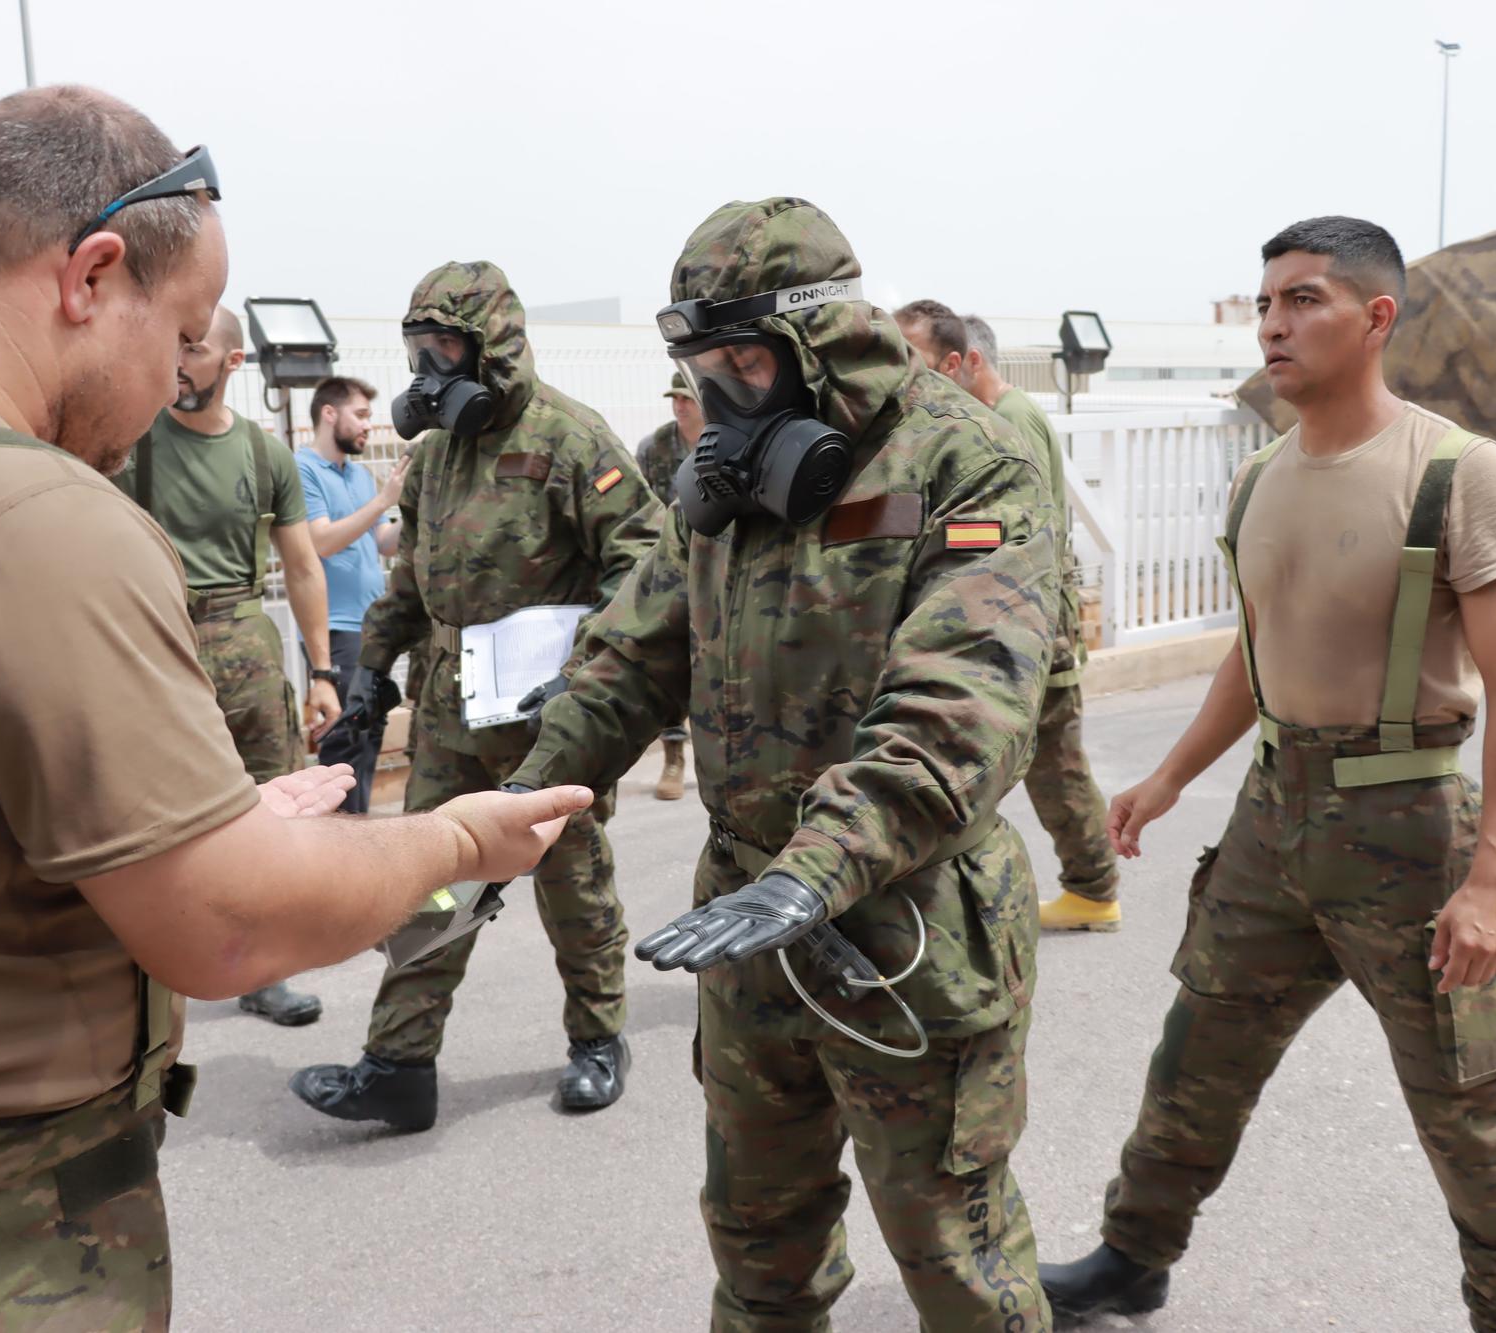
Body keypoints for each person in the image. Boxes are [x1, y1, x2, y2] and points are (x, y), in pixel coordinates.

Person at [0, 86, 593, 1331]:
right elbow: (226, 931)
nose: (177, 379)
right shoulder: (20, 512)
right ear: (91, 275)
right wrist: (455, 839)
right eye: (182, 332)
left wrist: (203, 813)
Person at [509, 198, 1064, 1329]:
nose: (720, 394)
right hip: (746, 931)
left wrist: (816, 868)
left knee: (956, 1260)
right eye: (701, 365)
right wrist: (520, 797)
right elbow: (632, 653)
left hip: (909, 929)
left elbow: (957, 704)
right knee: (759, 1249)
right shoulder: (725, 486)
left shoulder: (967, 461)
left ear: (826, 347)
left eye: (745, 361)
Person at [1040, 216, 1496, 1332]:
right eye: (1266, 302)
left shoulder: (1459, 474)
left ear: (1374, 319)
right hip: (1273, 821)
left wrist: (1489, 882)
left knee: (1470, 1106)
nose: (1273, 324)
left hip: (1410, 828)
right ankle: (1132, 1259)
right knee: (1196, 1057)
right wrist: (1172, 775)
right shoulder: (1255, 481)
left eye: (1303, 300)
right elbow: (1255, 648)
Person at [290, 261, 662, 1126]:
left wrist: (583, 666)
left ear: (494, 347)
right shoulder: (436, 461)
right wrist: (369, 678)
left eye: (447, 346)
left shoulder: (574, 440)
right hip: (453, 715)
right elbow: (408, 589)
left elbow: (644, 565)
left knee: (572, 882)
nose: (431, 368)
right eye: (419, 349)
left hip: (549, 719)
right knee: (429, 882)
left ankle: (599, 1038)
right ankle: (399, 1064)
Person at [112, 306, 339, 1028]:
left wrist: (325, 671)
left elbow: (302, 565)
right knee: (150, 816)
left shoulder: (262, 453)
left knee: (271, 811)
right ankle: (143, 974)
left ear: (233, 364)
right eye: (174, 345)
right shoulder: (131, 441)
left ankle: (265, 971)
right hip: (159, 640)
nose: (179, 359)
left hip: (246, 638)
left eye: (195, 348)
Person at [898, 301, 1124, 932]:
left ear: (962, 362)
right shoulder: (988, 416)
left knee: (1052, 763)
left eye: (911, 358)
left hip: (1030, 622)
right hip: (1021, 617)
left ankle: (1092, 888)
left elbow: (994, 536)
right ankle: (1089, 886)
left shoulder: (1005, 420)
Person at [298, 375, 409, 812]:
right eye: (360, 415)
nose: (368, 425)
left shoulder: (359, 475)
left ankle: (356, 845)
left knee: (367, 743)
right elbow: (321, 541)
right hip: (337, 631)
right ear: (330, 414)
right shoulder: (302, 468)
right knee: (344, 749)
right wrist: (383, 501)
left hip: (370, 629)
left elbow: (382, 542)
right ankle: (340, 855)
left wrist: (415, 509)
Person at [634, 370, 703, 799]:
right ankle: (674, 758)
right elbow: (639, 511)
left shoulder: (730, 440)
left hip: (721, 568)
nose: (679, 405)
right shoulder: (655, 449)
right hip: (671, 568)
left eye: (686, 398)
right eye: (673, 398)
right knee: (669, 657)